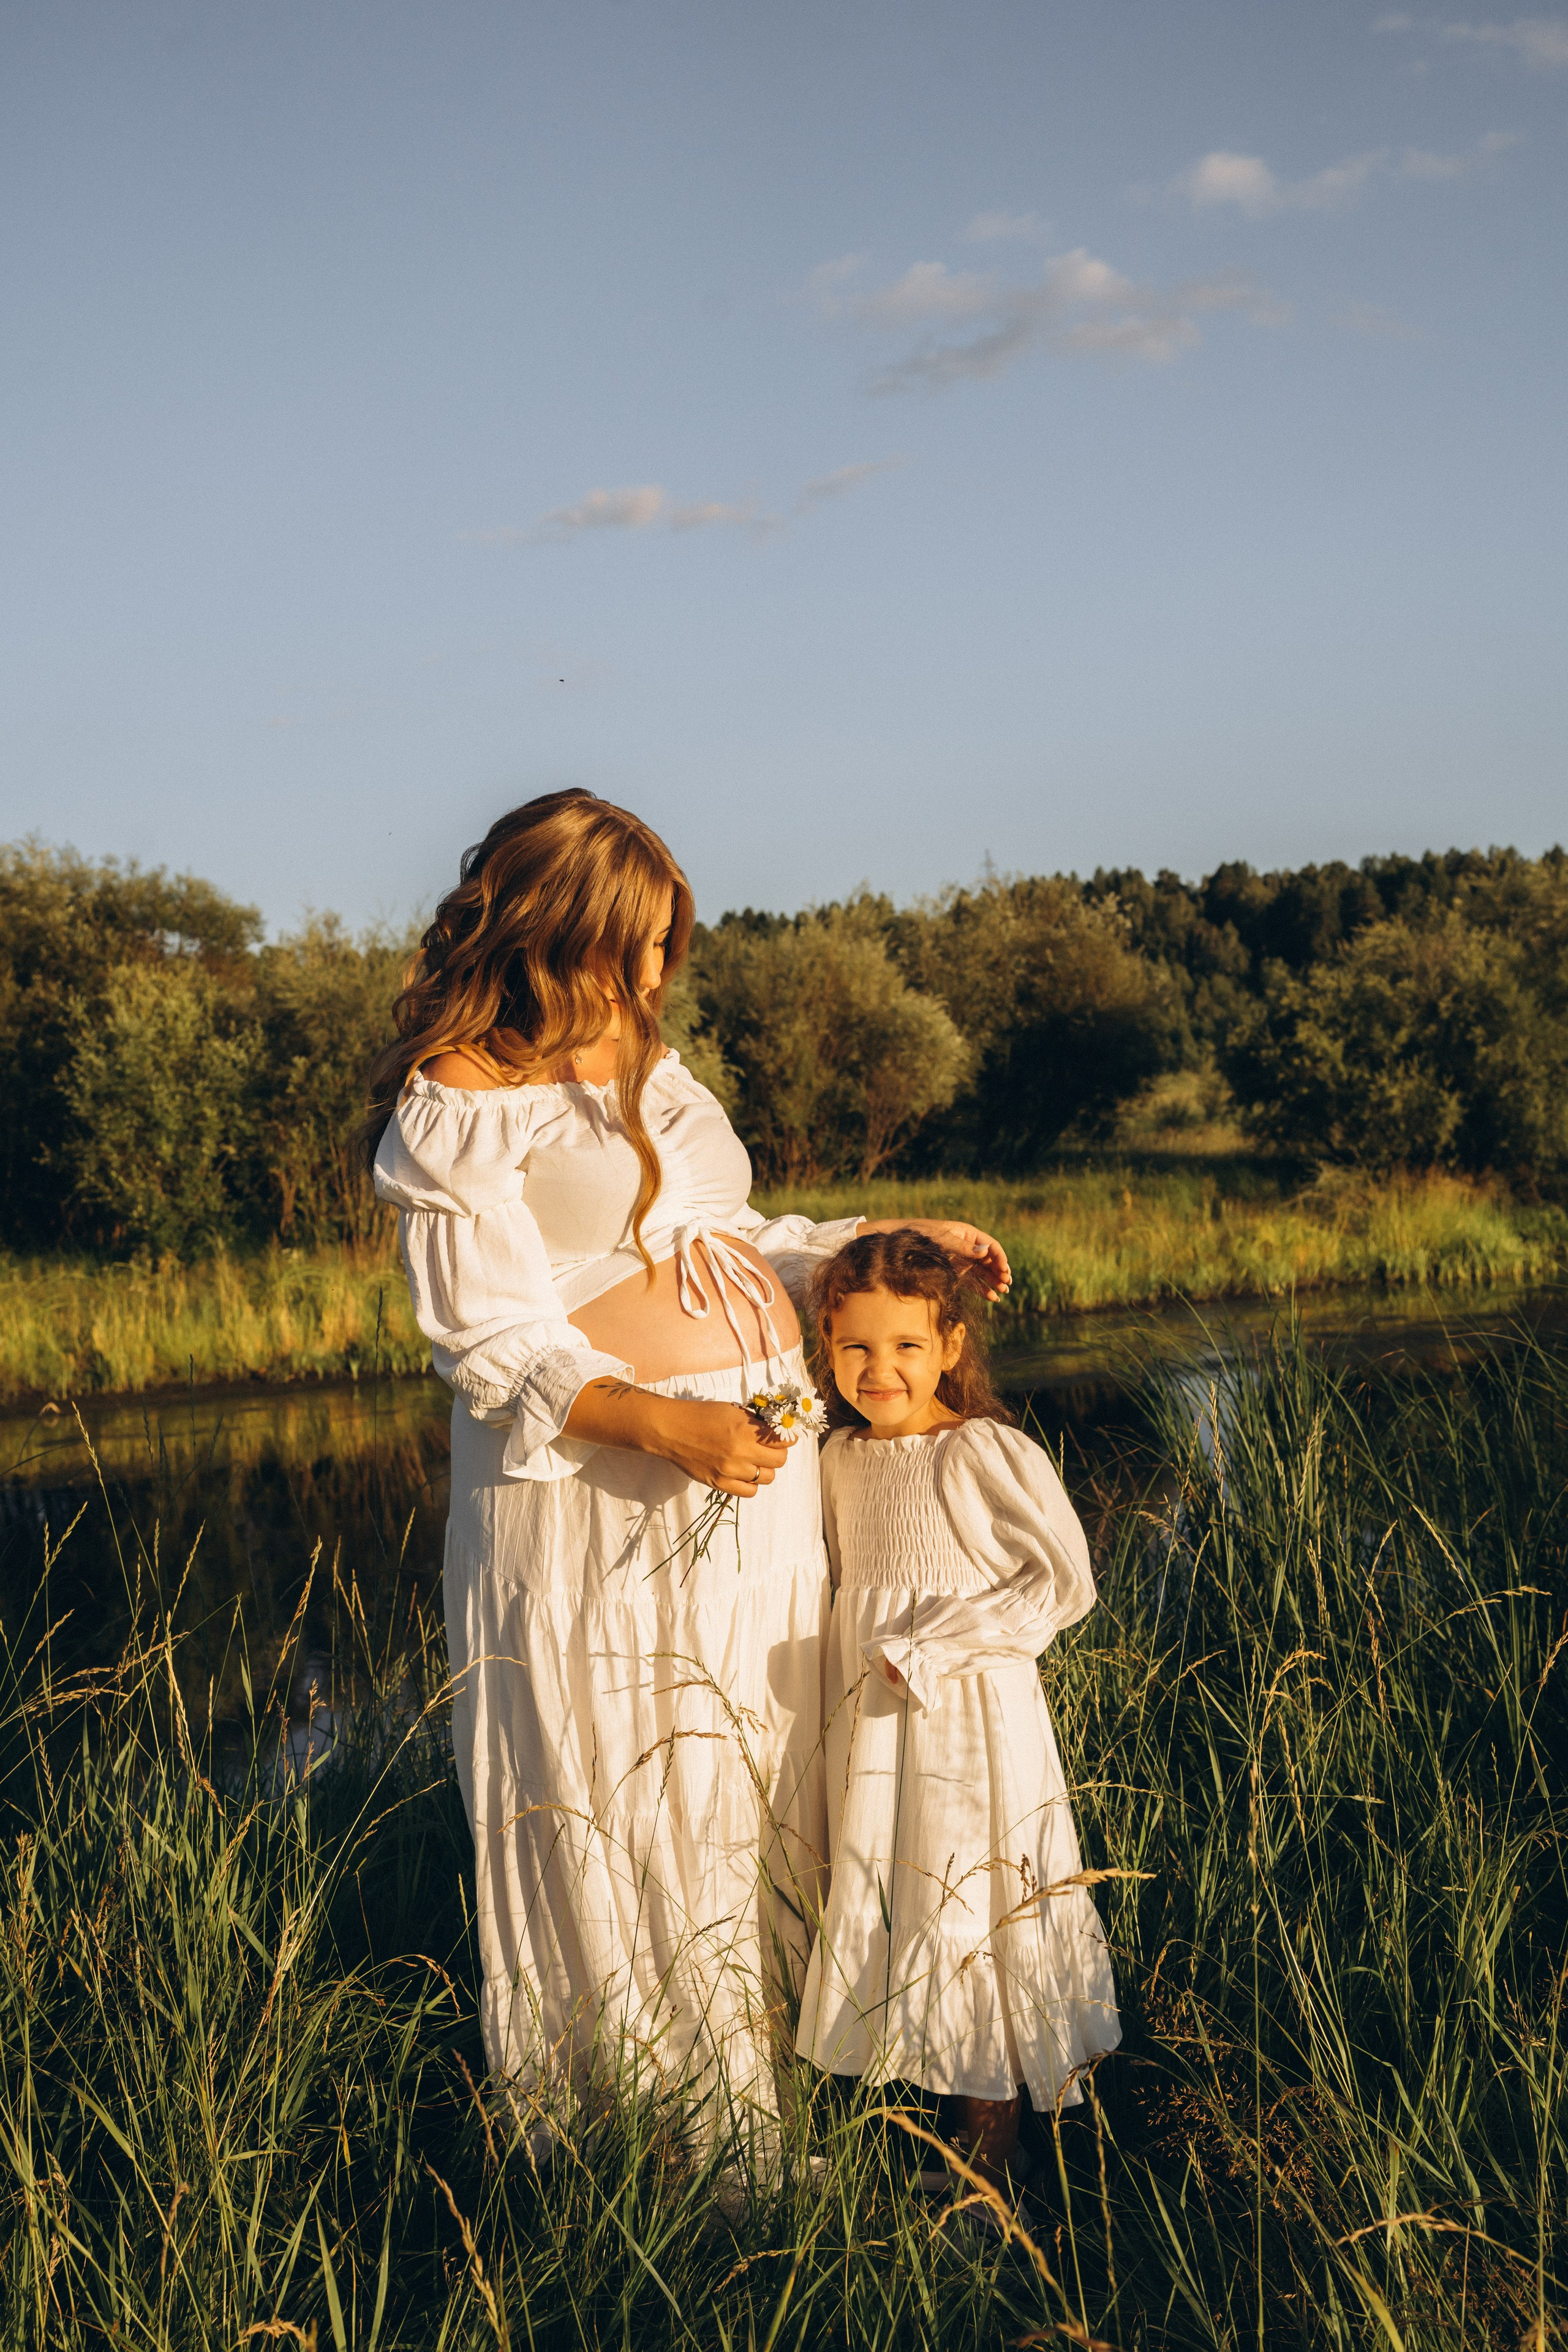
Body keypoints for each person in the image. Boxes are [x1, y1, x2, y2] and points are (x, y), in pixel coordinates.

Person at [365, 789, 1010, 2146]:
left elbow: (729, 1234)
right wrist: (676, 1426)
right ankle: (674, 2153)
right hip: (605, 1498)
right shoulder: (459, 1100)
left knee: (754, 1780)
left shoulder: (645, 1057)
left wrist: (885, 1238)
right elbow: (486, 1340)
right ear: (552, 929)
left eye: (667, 942)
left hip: (750, 1493)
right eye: (636, 942)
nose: (660, 972)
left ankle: (794, 2089)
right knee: (635, 1790)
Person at [794, 1227, 1120, 2191]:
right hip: (873, 1726)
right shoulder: (835, 1456)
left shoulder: (979, 1450)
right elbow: (772, 1455)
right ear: (826, 1345)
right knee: (905, 1904)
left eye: (904, 1346)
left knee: (972, 1907)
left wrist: (935, 1647)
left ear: (950, 1345)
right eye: (854, 1348)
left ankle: (992, 2165)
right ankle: (943, 2143)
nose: (878, 1368)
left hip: (967, 1723)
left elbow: (1061, 1582)